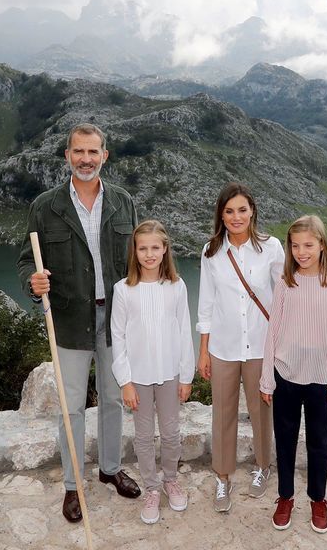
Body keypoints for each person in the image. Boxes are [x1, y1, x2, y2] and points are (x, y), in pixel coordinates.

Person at [17, 122, 140, 523]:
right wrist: (33, 284)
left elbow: (138, 261)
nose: (86, 159)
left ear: (105, 155)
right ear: (67, 156)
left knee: (113, 398)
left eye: (93, 152)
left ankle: (109, 469)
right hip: (69, 320)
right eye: (78, 152)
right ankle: (72, 486)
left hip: (116, 318)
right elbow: (26, 261)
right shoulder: (45, 206)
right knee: (71, 407)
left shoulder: (123, 203)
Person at [260, 215, 327, 534]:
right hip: (286, 375)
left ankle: (318, 498)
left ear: (322, 245)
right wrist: (267, 378)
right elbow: (273, 332)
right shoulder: (286, 282)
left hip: (321, 378)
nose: (302, 252)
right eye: (295, 246)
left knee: (319, 441)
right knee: (284, 440)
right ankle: (285, 496)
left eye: (309, 245)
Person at [196, 182, 285, 512]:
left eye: (242, 210)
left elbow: (287, 290)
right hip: (224, 347)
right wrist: (203, 350)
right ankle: (223, 477)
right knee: (223, 414)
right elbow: (206, 303)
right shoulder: (211, 252)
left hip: (262, 347)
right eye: (229, 211)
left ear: (253, 212)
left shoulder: (271, 247)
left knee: (262, 411)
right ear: (221, 214)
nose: (236, 217)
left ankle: (263, 467)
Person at [111, 220, 195, 524]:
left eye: (155, 248)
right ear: (135, 251)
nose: (149, 254)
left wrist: (186, 376)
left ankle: (170, 479)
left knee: (171, 433)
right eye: (143, 248)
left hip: (170, 373)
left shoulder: (177, 286)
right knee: (144, 436)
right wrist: (126, 382)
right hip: (138, 378)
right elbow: (117, 337)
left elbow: (185, 331)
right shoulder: (123, 290)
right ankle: (151, 488)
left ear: (164, 250)